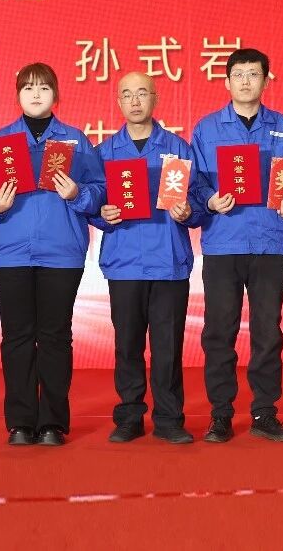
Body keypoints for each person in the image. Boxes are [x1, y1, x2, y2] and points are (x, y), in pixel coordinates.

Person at [0, 62, 105, 446]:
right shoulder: (0, 142)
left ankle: (52, 423)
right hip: (10, 252)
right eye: (28, 87)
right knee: (16, 336)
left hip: (61, 252)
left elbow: (99, 190)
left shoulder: (75, 141)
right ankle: (20, 422)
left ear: (56, 95)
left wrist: (77, 193)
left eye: (44, 88)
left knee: (55, 336)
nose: (35, 94)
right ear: (17, 94)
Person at [190, 48, 283, 444]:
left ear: (265, 81)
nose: (245, 81)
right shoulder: (207, 128)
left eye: (253, 74)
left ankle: (264, 412)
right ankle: (221, 414)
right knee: (219, 332)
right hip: (223, 242)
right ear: (226, 81)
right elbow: (195, 182)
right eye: (238, 74)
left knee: (267, 332)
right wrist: (209, 201)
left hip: (270, 242)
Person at [90, 72, 200, 445]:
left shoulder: (178, 148)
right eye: (127, 94)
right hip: (124, 261)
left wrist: (189, 211)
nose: (135, 101)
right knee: (128, 345)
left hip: (169, 261)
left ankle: (169, 418)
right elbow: (91, 202)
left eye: (142, 93)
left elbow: (198, 200)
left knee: (168, 346)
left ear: (155, 98)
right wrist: (100, 214)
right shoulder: (104, 152)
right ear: (118, 102)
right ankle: (130, 416)